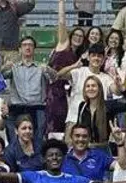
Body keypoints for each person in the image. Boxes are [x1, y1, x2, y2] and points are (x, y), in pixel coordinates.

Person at [2, 36, 58, 151]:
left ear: (34, 49)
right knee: (13, 141)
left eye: (30, 45)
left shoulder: (41, 68)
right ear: (20, 49)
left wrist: (48, 69)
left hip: (37, 107)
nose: (27, 47)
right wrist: (4, 67)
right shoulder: (13, 68)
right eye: (24, 45)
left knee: (38, 141)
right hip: (17, 107)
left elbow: (55, 77)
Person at [58, 44, 116, 140]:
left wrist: (118, 83)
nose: (96, 58)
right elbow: (59, 75)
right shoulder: (79, 71)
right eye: (93, 55)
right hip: (74, 119)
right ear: (88, 57)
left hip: (95, 123)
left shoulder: (107, 78)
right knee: (70, 148)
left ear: (103, 60)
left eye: (99, 56)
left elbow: (116, 91)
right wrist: (74, 66)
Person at [46, 0, 84, 134]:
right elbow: (62, 22)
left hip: (66, 95)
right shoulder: (64, 44)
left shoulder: (78, 57)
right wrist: (61, 3)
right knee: (51, 126)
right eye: (76, 35)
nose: (78, 38)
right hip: (52, 92)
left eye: (81, 36)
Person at [75, 75, 126, 150]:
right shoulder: (82, 106)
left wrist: (122, 88)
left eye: (93, 86)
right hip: (84, 149)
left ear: (99, 88)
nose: (90, 88)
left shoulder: (109, 105)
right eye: (88, 86)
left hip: (103, 150)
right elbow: (78, 127)